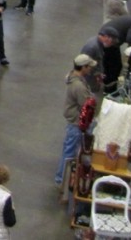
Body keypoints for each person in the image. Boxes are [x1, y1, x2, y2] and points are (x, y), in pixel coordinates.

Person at [54, 54, 96, 188]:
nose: (90, 69)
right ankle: (61, 179)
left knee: (69, 149)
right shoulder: (78, 86)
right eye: (89, 67)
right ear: (83, 67)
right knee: (70, 152)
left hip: (74, 121)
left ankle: (62, 177)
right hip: (77, 123)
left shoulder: (75, 79)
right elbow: (85, 105)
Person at [81, 27, 119, 93]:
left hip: (93, 77)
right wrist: (96, 74)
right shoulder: (91, 47)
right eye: (112, 42)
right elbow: (84, 65)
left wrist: (99, 73)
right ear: (106, 37)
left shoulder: (99, 44)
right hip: (89, 79)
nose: (111, 45)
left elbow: (97, 60)